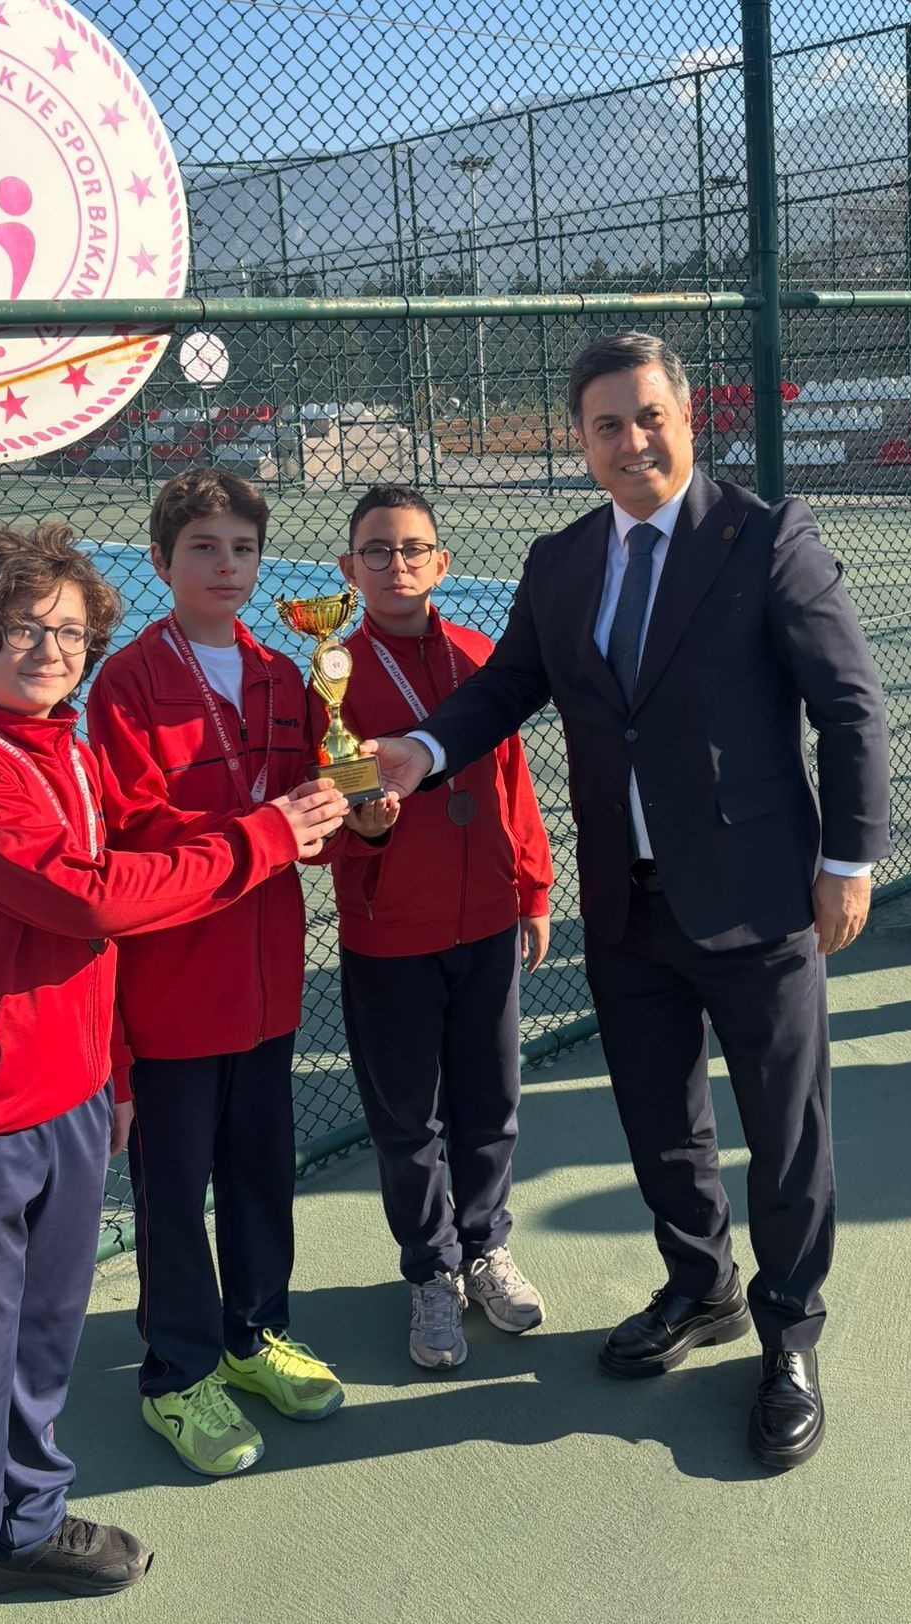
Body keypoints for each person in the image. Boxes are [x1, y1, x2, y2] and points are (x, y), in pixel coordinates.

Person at [368, 332, 890, 1471]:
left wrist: (848, 862)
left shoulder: (767, 537)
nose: (632, 441)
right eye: (607, 424)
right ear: (584, 441)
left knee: (786, 1133)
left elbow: (850, 705)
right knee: (661, 1122)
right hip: (626, 904)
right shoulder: (561, 561)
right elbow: (510, 684)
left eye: (649, 416)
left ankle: (790, 1335)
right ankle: (702, 1285)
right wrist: (421, 748)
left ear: (688, 417)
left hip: (758, 901)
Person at [0, 523, 348, 1623]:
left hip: (70, 1099)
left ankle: (28, 1524)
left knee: (43, 1340)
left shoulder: (68, 749)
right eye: (23, 627)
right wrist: (266, 837)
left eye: (70, 632)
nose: (49, 649)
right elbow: (89, 898)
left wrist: (112, 1068)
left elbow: (90, 947)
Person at [85, 468, 387, 1477]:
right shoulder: (129, 683)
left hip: (267, 985)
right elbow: (136, 830)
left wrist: (358, 809)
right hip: (174, 990)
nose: (226, 566)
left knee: (261, 1172)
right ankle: (177, 1373)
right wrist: (269, 827)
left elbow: (315, 805)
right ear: (162, 561)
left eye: (243, 548)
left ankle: (255, 1335)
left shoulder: (287, 672)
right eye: (203, 548)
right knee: (175, 1195)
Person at [322, 484, 554, 1370]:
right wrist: (363, 829)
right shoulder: (331, 674)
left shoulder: (480, 657)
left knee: (490, 1101)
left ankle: (487, 1246)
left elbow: (512, 784)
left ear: (441, 563)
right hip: (391, 931)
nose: (397, 565)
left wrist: (533, 888)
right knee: (408, 1120)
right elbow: (328, 814)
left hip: (487, 918)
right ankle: (430, 1270)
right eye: (377, 551)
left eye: (413, 548)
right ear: (349, 569)